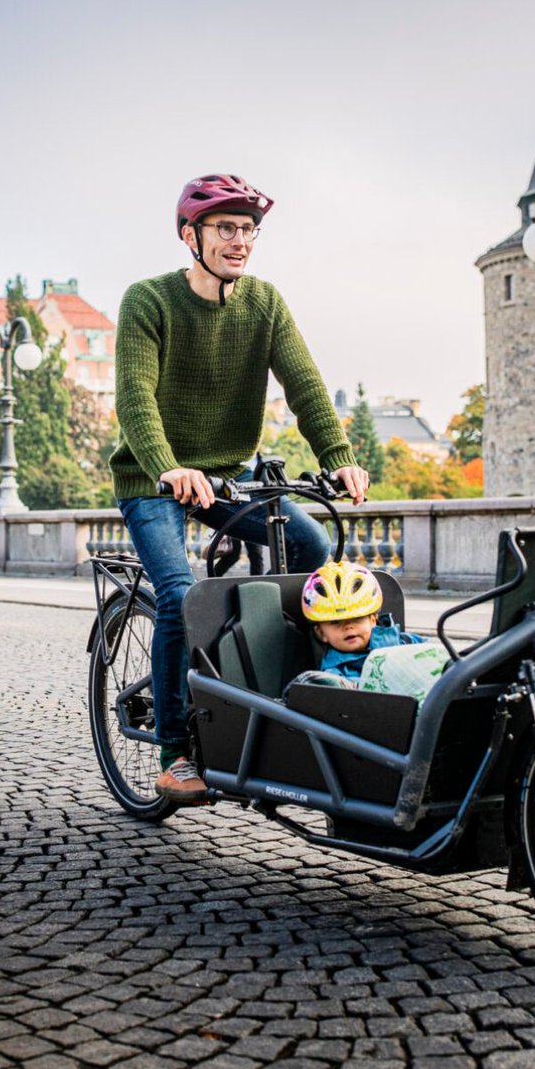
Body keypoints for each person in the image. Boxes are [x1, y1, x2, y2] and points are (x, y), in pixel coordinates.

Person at [110, 173, 369, 804]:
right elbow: (136, 398)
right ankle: (174, 753)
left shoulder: (264, 303)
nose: (240, 241)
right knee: (179, 595)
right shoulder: (148, 300)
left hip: (230, 476)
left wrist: (338, 457)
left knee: (311, 549)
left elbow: (304, 384)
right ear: (190, 236)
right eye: (226, 228)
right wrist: (168, 467)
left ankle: (286, 699)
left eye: (249, 229)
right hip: (153, 478)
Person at [299, 561, 448, 705]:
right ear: (321, 633)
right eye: (336, 622)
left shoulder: (403, 641)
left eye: (356, 618)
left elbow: (435, 655)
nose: (348, 627)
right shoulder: (334, 674)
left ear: (373, 620)